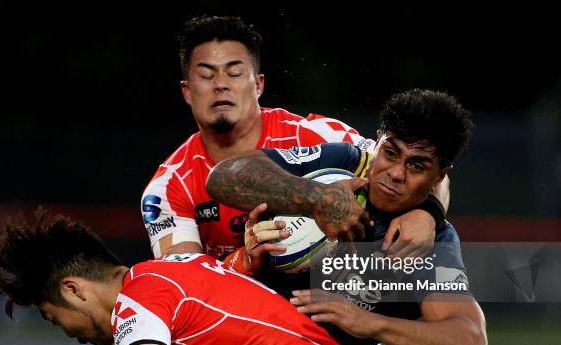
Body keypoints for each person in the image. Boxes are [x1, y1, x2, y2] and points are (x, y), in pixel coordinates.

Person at [206, 89, 488, 345]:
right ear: (377, 141)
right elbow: (223, 176)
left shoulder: (429, 242)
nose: (396, 173)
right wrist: (317, 198)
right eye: (390, 153)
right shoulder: (342, 163)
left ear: (440, 176)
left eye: (416, 166)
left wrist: (369, 324)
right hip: (241, 335)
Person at [141, 15, 448, 270]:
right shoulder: (167, 188)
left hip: (331, 315)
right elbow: (185, 285)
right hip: (238, 323)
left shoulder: (318, 135)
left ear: (259, 84)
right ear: (186, 91)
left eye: (234, 73)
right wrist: (245, 260)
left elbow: (419, 170)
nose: (221, 84)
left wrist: (428, 214)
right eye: (206, 75)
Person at [0, 211, 381, 345]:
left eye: (54, 318)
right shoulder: (179, 268)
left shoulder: (138, 300)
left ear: (73, 290)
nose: (69, 334)